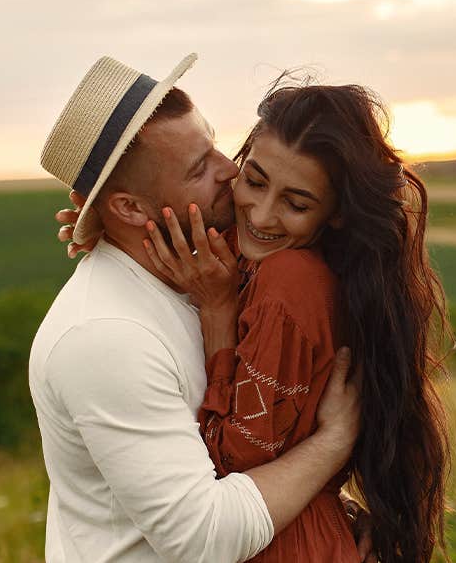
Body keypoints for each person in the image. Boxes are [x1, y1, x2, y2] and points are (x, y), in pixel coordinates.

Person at [30, 54, 366, 563]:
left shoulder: (206, 268)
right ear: (130, 208)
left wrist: (335, 514)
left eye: (213, 146)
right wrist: (334, 442)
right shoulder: (104, 338)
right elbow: (203, 539)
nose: (229, 170)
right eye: (198, 167)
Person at [122, 79, 452, 563]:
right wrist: (111, 232)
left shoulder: (287, 282)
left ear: (336, 214)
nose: (260, 212)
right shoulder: (253, 254)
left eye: (296, 204)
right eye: (254, 180)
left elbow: (233, 464)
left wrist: (218, 316)